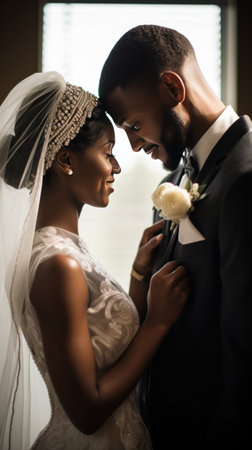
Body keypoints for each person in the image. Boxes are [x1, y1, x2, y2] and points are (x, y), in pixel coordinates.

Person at [0, 71, 190, 450]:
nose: (116, 167)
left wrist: (138, 278)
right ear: (66, 160)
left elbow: (108, 351)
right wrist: (157, 323)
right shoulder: (58, 265)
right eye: (107, 153)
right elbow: (86, 412)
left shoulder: (65, 251)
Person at [98, 25, 252, 450]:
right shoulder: (176, 179)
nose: (131, 146)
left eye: (133, 124)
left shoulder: (246, 181)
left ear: (171, 87)